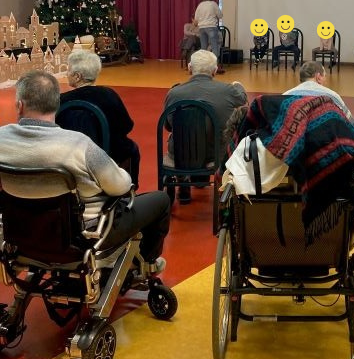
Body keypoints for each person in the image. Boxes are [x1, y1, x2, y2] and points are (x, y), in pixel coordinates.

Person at [0, 71, 170, 270]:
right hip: (82, 235)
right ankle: (146, 263)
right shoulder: (79, 144)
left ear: (19, 105)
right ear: (56, 104)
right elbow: (120, 187)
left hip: (21, 233)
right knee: (160, 200)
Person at [162, 49, 247, 202]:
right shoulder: (228, 90)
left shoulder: (174, 93)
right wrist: (238, 85)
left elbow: (168, 126)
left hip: (181, 154)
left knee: (178, 134)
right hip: (217, 155)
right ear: (215, 70)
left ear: (189, 68)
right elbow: (242, 99)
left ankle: (183, 180)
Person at [61, 50, 141, 187]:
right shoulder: (109, 95)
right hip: (109, 156)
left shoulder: (62, 100)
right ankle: (129, 189)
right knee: (132, 148)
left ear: (77, 76)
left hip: (72, 158)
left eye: (68, 70)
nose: (66, 74)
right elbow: (127, 126)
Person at [283, 61, 354, 130]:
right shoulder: (332, 96)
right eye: (324, 76)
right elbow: (352, 125)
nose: (325, 79)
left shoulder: (286, 95)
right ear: (318, 77)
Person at [193, 0, 224, 72]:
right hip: (211, 27)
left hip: (202, 28)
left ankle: (203, 67)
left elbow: (195, 20)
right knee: (214, 47)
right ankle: (215, 67)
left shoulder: (200, 5)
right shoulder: (213, 4)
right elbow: (220, 15)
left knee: (203, 48)